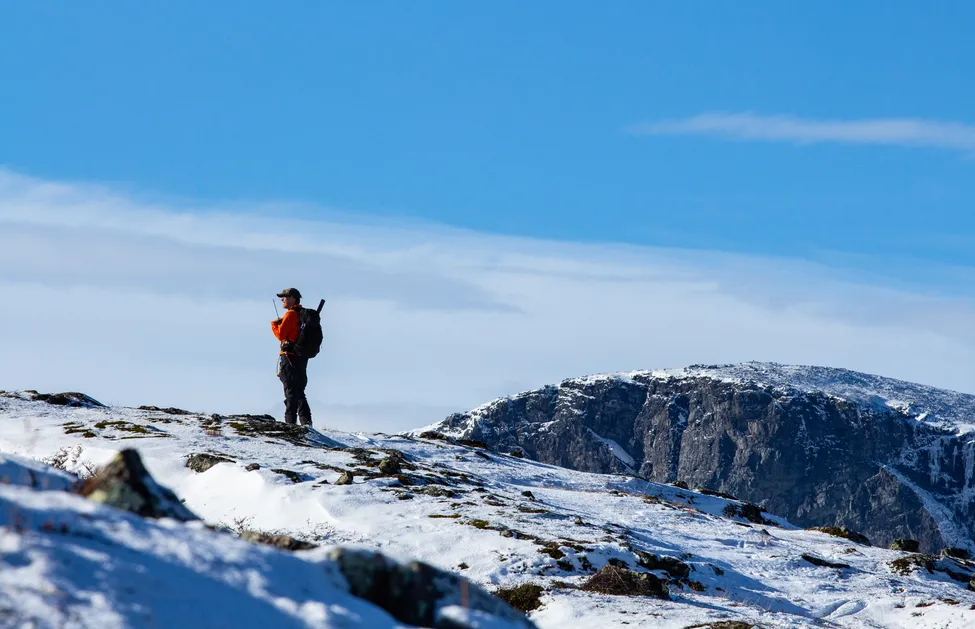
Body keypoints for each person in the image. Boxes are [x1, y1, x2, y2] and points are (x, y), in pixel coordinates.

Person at [271, 288, 312, 426]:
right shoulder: (301, 314)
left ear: (293, 298)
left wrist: (274, 325)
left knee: (290, 390)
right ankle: (306, 423)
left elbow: (281, 335)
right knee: (299, 390)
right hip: (301, 357)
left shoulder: (291, 314)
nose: (282, 299)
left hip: (289, 357)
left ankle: (290, 423)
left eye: (285, 297)